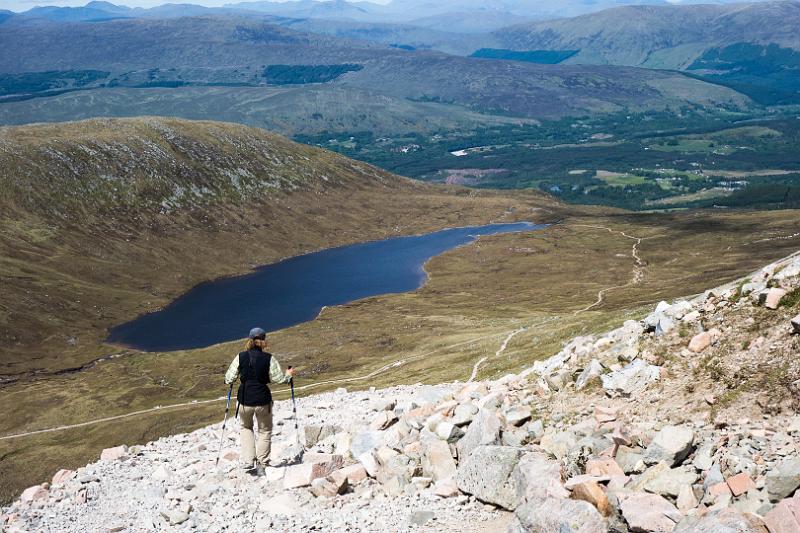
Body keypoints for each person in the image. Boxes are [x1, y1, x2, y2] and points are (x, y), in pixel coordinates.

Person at [224, 327, 296, 476]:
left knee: (246, 428)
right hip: (263, 400)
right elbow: (279, 379)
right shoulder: (269, 358)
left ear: (249, 340)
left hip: (244, 400)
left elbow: (229, 378)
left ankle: (249, 460)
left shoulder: (240, 356)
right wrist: (288, 375)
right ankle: (262, 464)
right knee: (264, 431)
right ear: (263, 341)